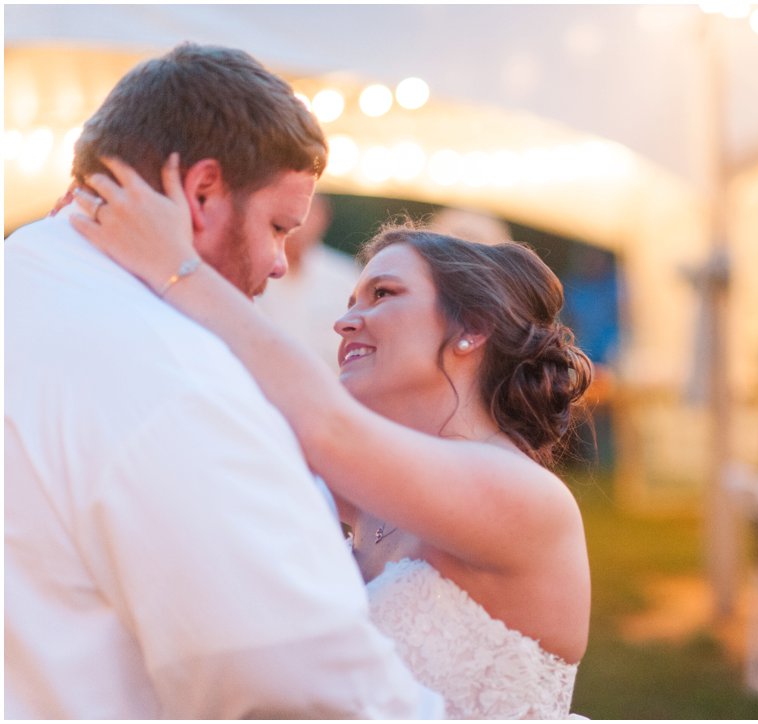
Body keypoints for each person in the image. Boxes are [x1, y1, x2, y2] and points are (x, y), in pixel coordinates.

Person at [71, 154, 594, 718]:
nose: (345, 323)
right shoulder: (361, 496)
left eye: (384, 295)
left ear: (472, 328)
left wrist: (177, 268)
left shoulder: (527, 498)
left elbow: (321, 423)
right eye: (351, 302)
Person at [4, 44, 440, 719]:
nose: (276, 264)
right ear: (202, 192)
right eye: (276, 227)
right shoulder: (170, 373)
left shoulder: (24, 279)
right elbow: (295, 680)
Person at [255, 193, 362, 370]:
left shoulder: (344, 275)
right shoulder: (255, 270)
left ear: (323, 218)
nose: (300, 223)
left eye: (309, 213)